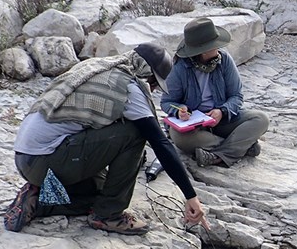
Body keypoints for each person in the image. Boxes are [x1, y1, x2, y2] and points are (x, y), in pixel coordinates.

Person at [12, 43, 207, 235]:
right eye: (154, 83)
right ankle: (108, 216)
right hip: (44, 160)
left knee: (104, 193)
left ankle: (38, 202)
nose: (153, 89)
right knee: (135, 133)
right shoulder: (129, 88)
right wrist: (191, 196)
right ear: (145, 73)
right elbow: (160, 143)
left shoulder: (99, 67)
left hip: (26, 158)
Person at [161, 17, 269, 168]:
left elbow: (236, 96)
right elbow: (167, 102)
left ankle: (217, 155)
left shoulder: (224, 60)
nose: (218, 48)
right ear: (202, 51)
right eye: (214, 45)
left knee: (260, 119)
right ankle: (240, 147)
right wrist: (180, 111)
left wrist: (222, 111)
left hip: (222, 119)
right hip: (194, 126)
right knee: (179, 138)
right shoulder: (179, 68)